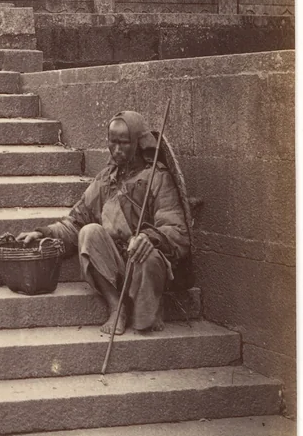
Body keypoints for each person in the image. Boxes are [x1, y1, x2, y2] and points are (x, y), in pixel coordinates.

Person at [16, 110, 189, 335]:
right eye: (112, 142)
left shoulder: (158, 178)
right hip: (116, 264)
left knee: (148, 259)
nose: (116, 149)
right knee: (89, 232)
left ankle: (149, 306)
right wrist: (43, 233)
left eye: (124, 143)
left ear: (138, 143)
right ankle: (117, 306)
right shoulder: (105, 180)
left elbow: (177, 230)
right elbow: (76, 222)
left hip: (145, 264)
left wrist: (150, 238)